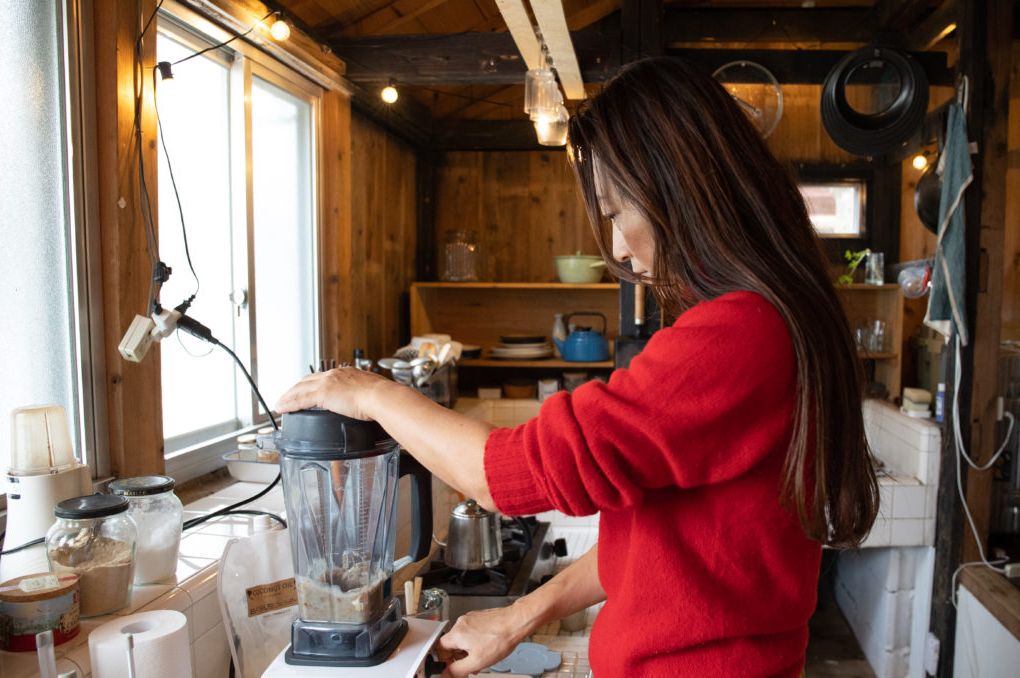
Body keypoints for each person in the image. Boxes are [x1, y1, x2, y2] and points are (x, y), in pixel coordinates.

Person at [275, 56, 879, 678]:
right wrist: (518, 617)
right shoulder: (772, 320)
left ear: (680, 186)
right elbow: (653, 549)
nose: (617, 249)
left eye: (617, 214)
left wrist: (370, 394)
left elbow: (502, 477)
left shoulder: (738, 333)